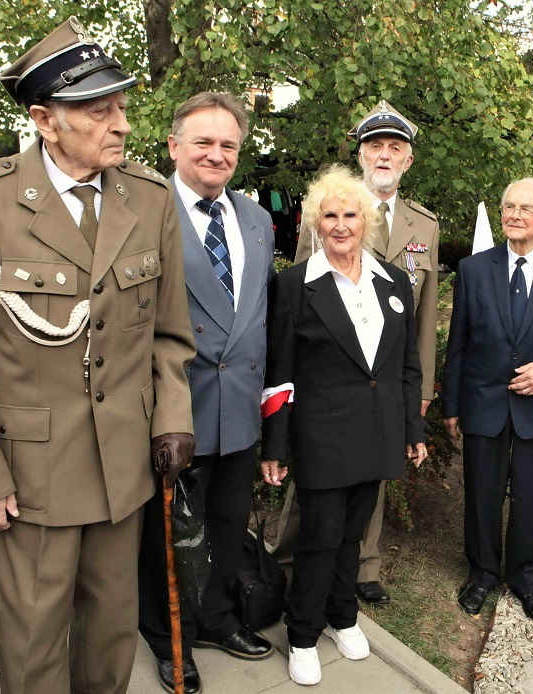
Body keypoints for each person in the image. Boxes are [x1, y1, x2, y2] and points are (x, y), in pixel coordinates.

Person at [0, 17, 196, 693]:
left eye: (122, 109)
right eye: (100, 110)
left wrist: (172, 417)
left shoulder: (150, 197)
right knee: (33, 637)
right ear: (46, 121)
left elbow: (168, 334)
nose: (122, 126)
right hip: (32, 470)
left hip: (123, 463)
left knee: (109, 632)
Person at [259, 165, 427, 686]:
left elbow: (406, 366)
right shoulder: (293, 285)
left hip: (377, 431)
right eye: (328, 215)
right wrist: (275, 446)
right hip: (322, 434)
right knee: (320, 538)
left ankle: (342, 616)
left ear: (367, 220)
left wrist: (413, 433)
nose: (339, 224)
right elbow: (278, 374)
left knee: (353, 535)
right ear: (314, 222)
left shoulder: (396, 282)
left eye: (349, 214)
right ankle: (303, 633)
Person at [137, 92, 276, 693]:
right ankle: (168, 635)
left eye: (228, 145)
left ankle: (217, 617)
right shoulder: (144, 210)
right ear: (173, 146)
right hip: (173, 409)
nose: (217, 155)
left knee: (223, 526)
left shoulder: (256, 218)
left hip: (239, 410)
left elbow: (257, 315)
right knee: (164, 536)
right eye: (203, 142)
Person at [277, 99, 440, 605]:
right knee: (315, 485)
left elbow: (426, 314)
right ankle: (287, 561)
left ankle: (360, 570)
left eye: (396, 147)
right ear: (362, 154)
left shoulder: (424, 225)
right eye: (375, 146)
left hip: (388, 373)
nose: (385, 155)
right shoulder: (327, 211)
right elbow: (303, 297)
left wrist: (423, 390)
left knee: (372, 475)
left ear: (408, 160)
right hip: (327, 377)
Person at [441, 178, 533, 622]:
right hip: (484, 402)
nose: (514, 215)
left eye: (526, 208)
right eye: (508, 206)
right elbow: (459, 342)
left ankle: (527, 579)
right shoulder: (473, 268)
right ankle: (482, 574)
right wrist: (452, 404)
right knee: (482, 495)